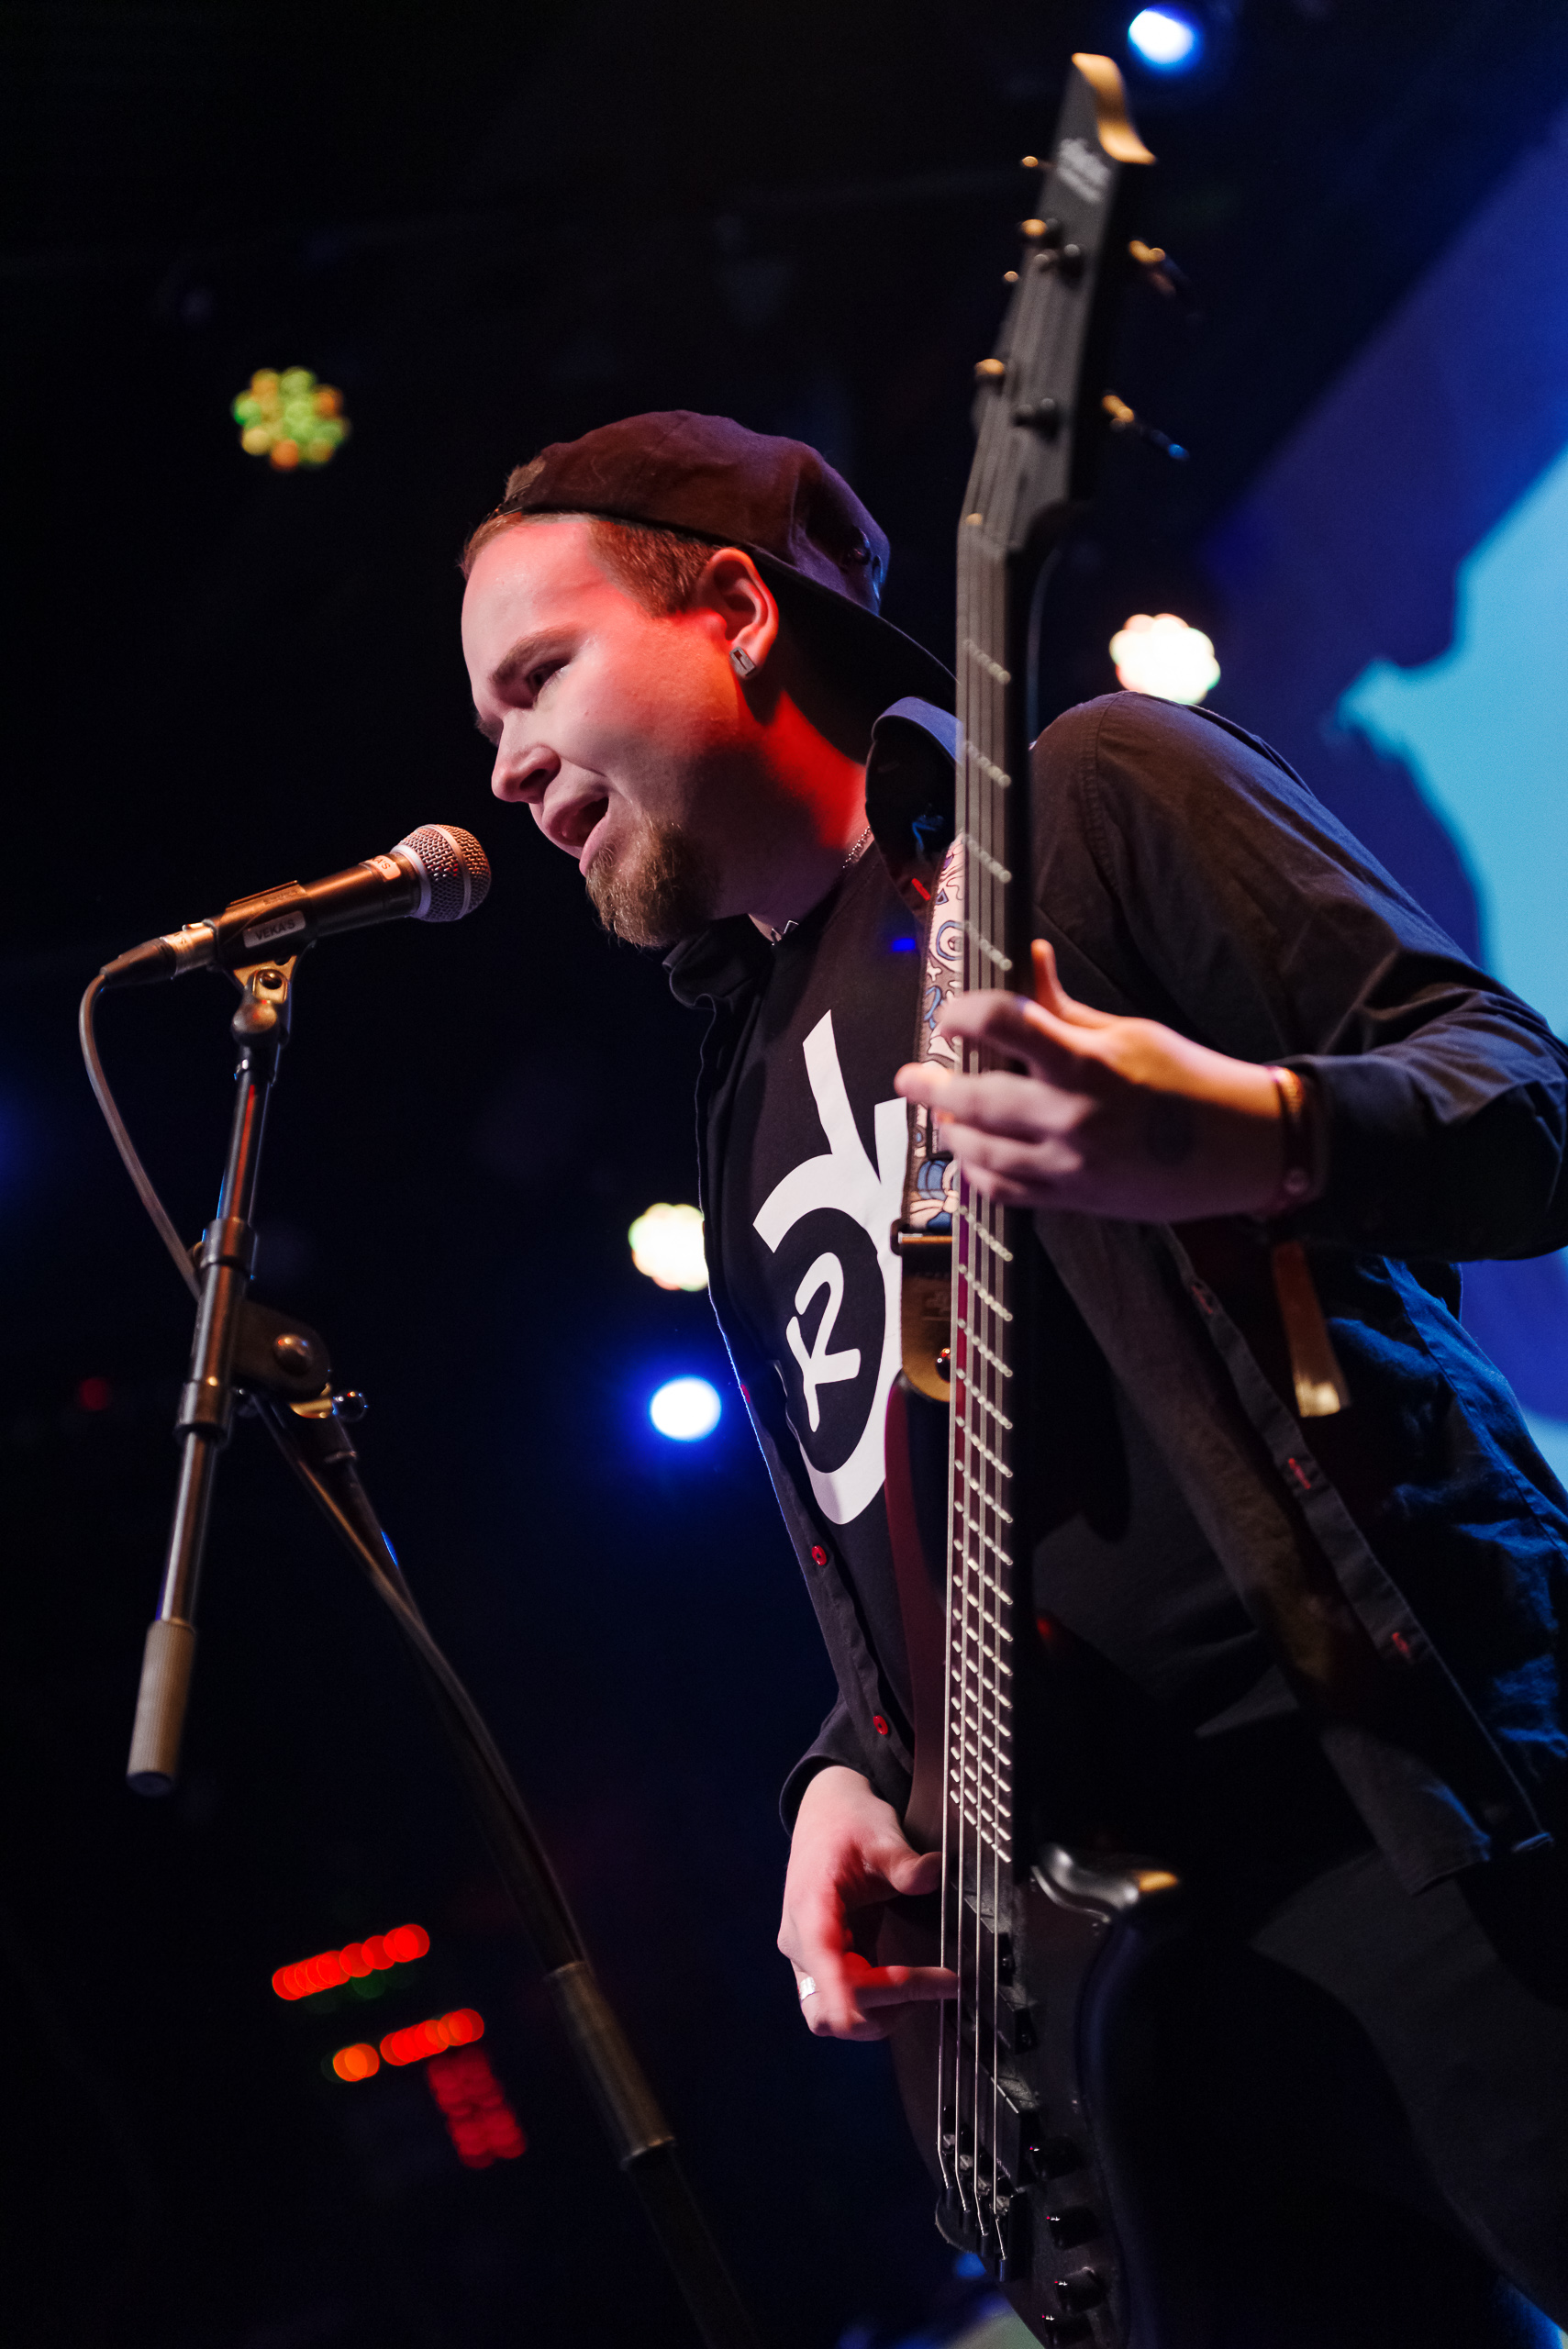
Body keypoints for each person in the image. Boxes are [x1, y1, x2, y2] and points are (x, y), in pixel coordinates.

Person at [460, 411, 1568, 2344]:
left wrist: (1247, 1129)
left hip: (1413, 1827)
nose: (503, 764)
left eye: (536, 674)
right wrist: (847, 1763)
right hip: (1131, 2006)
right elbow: (908, 1522)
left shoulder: (1087, 795)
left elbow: (1526, 1110)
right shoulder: (734, 1101)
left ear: (735, 610)